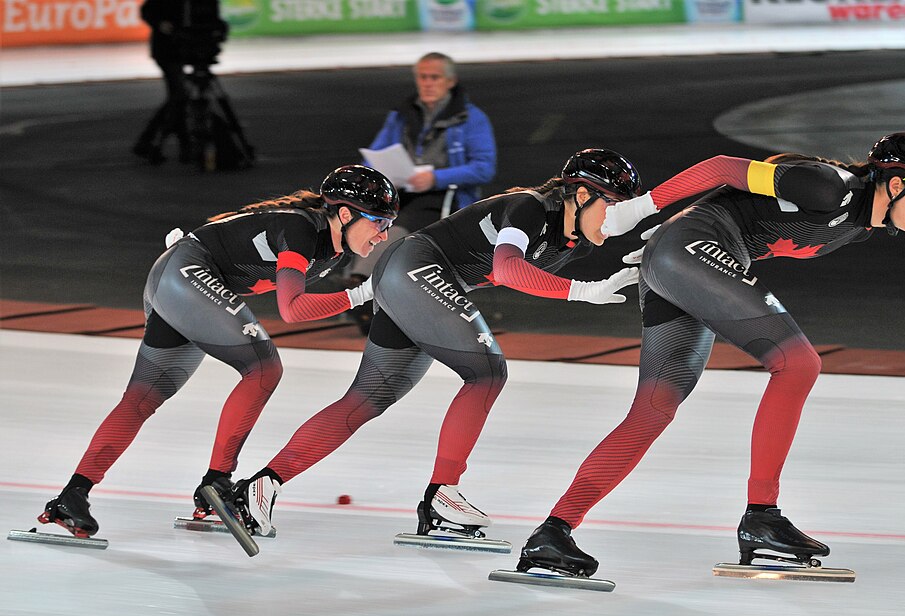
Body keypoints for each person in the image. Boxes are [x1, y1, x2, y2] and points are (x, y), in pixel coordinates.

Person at [515, 132, 905, 578]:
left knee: (653, 409)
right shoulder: (831, 186)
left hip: (683, 258)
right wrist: (644, 209)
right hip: (690, 252)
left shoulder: (858, 226)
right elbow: (723, 167)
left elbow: (744, 209)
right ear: (896, 184)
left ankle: (553, 531)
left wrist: (675, 235)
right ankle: (762, 515)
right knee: (799, 363)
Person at [230, 149, 643, 541]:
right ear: (583, 194)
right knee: (487, 373)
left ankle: (261, 485)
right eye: (615, 205)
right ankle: (442, 494)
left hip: (412, 276)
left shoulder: (574, 238)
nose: (618, 218)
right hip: (416, 269)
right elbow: (508, 268)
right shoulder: (531, 207)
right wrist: (583, 291)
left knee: (370, 396)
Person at [37, 166, 400, 539]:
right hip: (186, 275)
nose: (384, 235)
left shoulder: (332, 251)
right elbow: (292, 308)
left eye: (389, 224)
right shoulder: (303, 230)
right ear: (344, 213)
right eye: (378, 222)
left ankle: (72, 495)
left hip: (185, 278)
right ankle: (218, 481)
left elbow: (240, 235)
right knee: (263, 367)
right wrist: (361, 294)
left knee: (144, 396)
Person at [346, 52, 497, 333]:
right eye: (422, 77)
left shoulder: (471, 119)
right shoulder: (401, 116)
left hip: (444, 196)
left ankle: (363, 286)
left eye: (434, 77)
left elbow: (483, 168)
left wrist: (435, 177)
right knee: (369, 217)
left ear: (450, 81)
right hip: (401, 190)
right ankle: (364, 285)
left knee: (397, 226)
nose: (427, 83)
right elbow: (374, 156)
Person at [133, 0, 228, 164]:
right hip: (167, 50)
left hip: (185, 49)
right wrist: (161, 24)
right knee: (180, 96)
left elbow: (210, 18)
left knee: (178, 98)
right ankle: (159, 142)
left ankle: (156, 142)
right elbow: (147, 10)